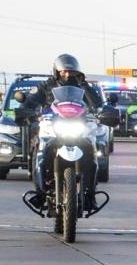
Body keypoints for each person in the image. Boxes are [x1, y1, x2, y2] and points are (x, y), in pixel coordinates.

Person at [19, 54, 105, 211]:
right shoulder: (46, 86)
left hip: (78, 125)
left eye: (71, 72)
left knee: (92, 150)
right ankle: (40, 192)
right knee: (39, 150)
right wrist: (26, 110)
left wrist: (103, 111)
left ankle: (90, 194)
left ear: (78, 73)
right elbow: (31, 101)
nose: (67, 75)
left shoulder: (84, 86)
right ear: (56, 72)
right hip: (53, 125)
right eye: (64, 72)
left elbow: (98, 104)